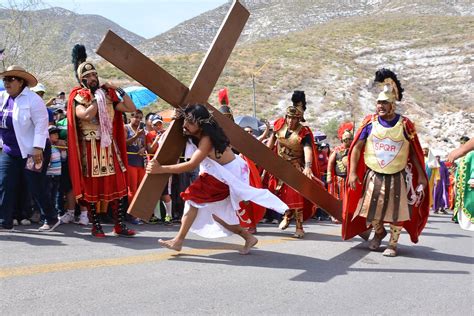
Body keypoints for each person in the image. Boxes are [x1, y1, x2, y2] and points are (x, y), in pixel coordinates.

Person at [147, 104, 288, 254]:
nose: (185, 125)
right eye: (185, 121)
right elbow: (169, 139)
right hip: (217, 174)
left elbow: (191, 164)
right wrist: (175, 121)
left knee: (192, 199)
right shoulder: (196, 133)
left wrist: (160, 169)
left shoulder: (207, 139)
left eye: (190, 122)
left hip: (225, 176)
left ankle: (178, 240)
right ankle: (248, 237)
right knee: (218, 216)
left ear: (201, 124)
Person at [343, 68, 429, 257]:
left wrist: (422, 176)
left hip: (397, 174)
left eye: (384, 103)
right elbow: (357, 147)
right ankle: (379, 231)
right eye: (378, 103)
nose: (380, 106)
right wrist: (352, 172)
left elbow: (414, 152)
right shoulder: (369, 122)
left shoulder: (405, 124)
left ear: (392, 105)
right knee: (370, 209)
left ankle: (393, 243)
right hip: (374, 173)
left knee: (397, 211)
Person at [67, 44, 137, 238]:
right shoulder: (77, 97)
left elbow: (130, 108)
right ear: (82, 80)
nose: (92, 79)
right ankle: (96, 225)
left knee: (119, 184)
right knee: (92, 186)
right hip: (90, 147)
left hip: (109, 146)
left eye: (94, 76)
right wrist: (98, 99)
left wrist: (118, 89)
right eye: (88, 77)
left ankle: (119, 225)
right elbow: (86, 116)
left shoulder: (108, 94)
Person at [0, 65, 58, 231]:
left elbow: (41, 124)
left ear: (21, 82)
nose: (7, 82)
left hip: (33, 151)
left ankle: (52, 217)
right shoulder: (1, 97)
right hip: (10, 151)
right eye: (5, 79)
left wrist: (38, 147)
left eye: (11, 79)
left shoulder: (34, 99)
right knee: (5, 183)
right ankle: (5, 221)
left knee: (35, 185)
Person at [266, 90, 321, 238]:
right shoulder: (279, 125)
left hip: (295, 167)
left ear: (299, 118)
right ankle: (286, 215)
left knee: (295, 196)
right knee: (279, 194)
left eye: (294, 118)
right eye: (289, 118)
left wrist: (308, 167)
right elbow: (271, 144)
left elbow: (307, 149)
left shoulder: (304, 132)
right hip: (279, 168)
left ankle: (299, 227)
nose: (291, 121)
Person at [146, 114, 173, 225]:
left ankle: (169, 216)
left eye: (159, 124)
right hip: (152, 166)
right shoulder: (149, 135)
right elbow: (150, 150)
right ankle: (156, 216)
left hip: (163, 166)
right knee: (153, 192)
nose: (158, 126)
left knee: (165, 192)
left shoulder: (167, 134)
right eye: (155, 124)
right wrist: (156, 139)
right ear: (152, 125)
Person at [327, 128, 353, 223]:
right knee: (338, 198)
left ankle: (347, 215)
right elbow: (330, 162)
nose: (348, 141)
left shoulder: (354, 150)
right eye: (346, 139)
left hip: (350, 179)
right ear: (342, 140)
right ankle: (335, 215)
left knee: (349, 198)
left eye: (350, 139)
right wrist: (329, 175)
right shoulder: (337, 150)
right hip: (339, 178)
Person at [447, 137, 473, 231]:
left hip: (468, 183)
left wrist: (473, 178)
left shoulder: (471, 153)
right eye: (460, 143)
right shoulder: (463, 157)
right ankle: (457, 216)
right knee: (458, 198)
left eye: (464, 143)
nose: (461, 145)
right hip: (460, 182)